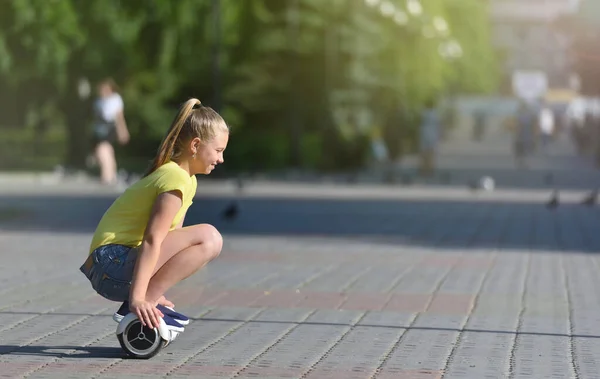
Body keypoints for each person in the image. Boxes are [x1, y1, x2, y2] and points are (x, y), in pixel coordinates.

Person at [80, 98, 229, 331]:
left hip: (115, 265)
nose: (221, 159)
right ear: (195, 145)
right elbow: (153, 239)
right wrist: (140, 298)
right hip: (109, 263)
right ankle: (138, 302)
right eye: (218, 151)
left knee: (206, 240)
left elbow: (174, 239)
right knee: (209, 237)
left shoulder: (187, 181)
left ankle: (146, 298)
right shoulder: (174, 178)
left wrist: (156, 293)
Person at [91, 78, 130, 185]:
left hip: (111, 126)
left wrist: (123, 131)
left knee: (102, 149)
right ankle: (111, 175)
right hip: (100, 127)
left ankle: (106, 175)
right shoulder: (98, 101)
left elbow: (119, 117)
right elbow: (96, 117)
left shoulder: (115, 99)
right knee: (107, 150)